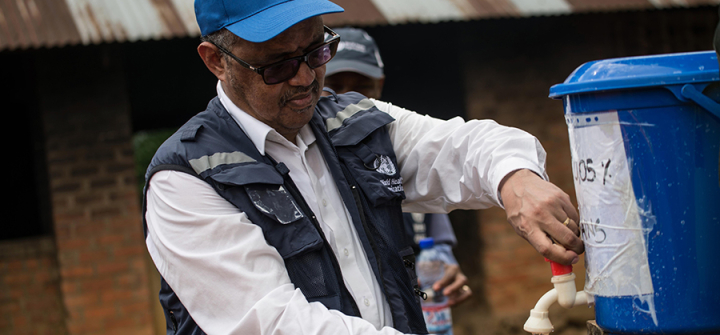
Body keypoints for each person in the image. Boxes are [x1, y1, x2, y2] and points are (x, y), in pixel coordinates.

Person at [142, 1, 584, 334]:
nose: (304, 78)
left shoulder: (352, 122)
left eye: (316, 51)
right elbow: (272, 321)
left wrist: (515, 179)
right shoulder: (185, 177)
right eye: (277, 64)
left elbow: (464, 146)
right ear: (216, 60)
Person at [322, 27, 470, 307]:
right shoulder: (303, 163)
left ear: (380, 85)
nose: (349, 101)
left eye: (361, 87)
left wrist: (443, 275)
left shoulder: (402, 155)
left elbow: (436, 248)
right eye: (336, 85)